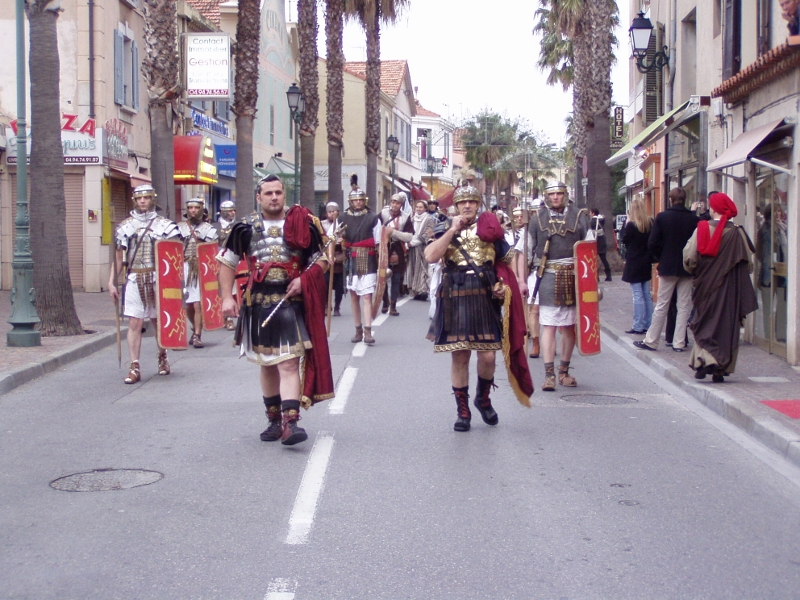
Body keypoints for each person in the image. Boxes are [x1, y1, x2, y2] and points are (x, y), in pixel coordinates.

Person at [217, 175, 333, 446]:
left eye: (278, 192)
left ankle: (291, 422)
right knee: (267, 363)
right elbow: (227, 262)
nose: (274, 197)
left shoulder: (302, 224)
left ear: (284, 194)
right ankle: (273, 420)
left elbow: (322, 260)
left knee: (289, 362)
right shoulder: (244, 228)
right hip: (258, 301)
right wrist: (226, 297)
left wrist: (304, 280)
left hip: (292, 302)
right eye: (268, 193)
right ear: (259, 197)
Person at [425, 184, 533, 431]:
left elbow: (508, 261)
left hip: (484, 295)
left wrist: (505, 284)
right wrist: (452, 230)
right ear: (456, 206)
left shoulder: (490, 228)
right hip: (455, 295)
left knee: (488, 355)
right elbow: (430, 256)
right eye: (463, 202)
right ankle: (462, 410)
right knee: (460, 354)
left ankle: (483, 398)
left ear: (478, 204)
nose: (467, 206)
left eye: (472, 202)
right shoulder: (444, 226)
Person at [520, 181, 590, 391]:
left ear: (565, 194)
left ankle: (564, 372)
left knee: (569, 326)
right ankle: (549, 375)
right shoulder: (537, 219)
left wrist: (589, 282)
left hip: (573, 277)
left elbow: (589, 250)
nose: (556, 197)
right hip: (548, 276)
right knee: (549, 326)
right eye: (552, 194)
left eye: (559, 193)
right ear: (547, 196)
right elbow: (526, 251)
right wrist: (522, 280)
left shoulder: (580, 216)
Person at [108, 184, 180, 384]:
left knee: (159, 322)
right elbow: (119, 257)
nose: (142, 201)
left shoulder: (165, 226)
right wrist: (111, 281)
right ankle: (134, 365)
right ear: (134, 200)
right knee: (135, 322)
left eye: (146, 197)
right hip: (134, 277)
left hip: (158, 278)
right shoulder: (126, 226)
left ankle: (162, 356)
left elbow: (173, 256)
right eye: (139, 198)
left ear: (152, 199)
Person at [683, 192, 758, 382]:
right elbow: (749, 264)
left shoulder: (702, 229)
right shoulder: (738, 233)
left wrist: (697, 272)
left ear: (714, 209)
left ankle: (701, 362)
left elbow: (690, 257)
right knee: (726, 324)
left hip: (705, 286)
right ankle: (721, 368)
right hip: (730, 289)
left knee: (704, 322)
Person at [633, 187, 699, 353]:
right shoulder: (694, 219)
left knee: (662, 305)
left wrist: (661, 257)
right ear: (685, 200)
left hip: (668, 265)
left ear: (670, 199)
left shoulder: (662, 217)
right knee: (684, 306)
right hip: (687, 266)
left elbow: (652, 243)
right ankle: (679, 342)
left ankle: (651, 341)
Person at [341, 187, 381, 345]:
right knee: (354, 295)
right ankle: (358, 329)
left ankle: (367, 331)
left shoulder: (373, 218)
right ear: (350, 201)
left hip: (368, 259)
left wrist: (382, 262)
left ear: (365, 201)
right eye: (355, 200)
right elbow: (333, 238)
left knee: (367, 295)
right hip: (351, 259)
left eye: (360, 200)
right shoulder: (342, 217)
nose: (358, 202)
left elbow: (378, 242)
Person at [178, 198, 219, 348]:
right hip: (183, 267)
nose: (193, 210)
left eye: (196, 207)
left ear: (201, 209)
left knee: (197, 304)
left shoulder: (209, 230)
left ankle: (197, 335)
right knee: (188, 304)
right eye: (190, 208)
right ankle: (195, 325)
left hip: (200, 268)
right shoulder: (178, 228)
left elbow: (212, 253)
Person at [620, 198, 654, 335]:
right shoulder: (650, 223)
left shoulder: (631, 225)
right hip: (646, 261)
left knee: (637, 295)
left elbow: (624, 240)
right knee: (646, 295)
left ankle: (638, 325)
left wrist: (626, 223)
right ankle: (648, 324)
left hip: (634, 262)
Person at [380, 192, 415, 316]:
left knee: (396, 278)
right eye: (393, 202)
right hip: (384, 249)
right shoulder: (383, 214)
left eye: (397, 203)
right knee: (382, 277)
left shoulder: (405, 217)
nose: (394, 205)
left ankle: (393, 305)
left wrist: (393, 232)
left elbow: (409, 236)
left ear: (401, 205)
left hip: (398, 249)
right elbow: (376, 230)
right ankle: (385, 301)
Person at [513, 209, 541, 359]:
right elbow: (519, 255)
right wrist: (520, 278)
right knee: (534, 309)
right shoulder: (528, 231)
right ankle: (536, 342)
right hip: (535, 272)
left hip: (555, 272)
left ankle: (550, 341)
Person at [216, 200, 238, 331]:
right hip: (216, 262)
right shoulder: (214, 227)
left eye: (234, 210)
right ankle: (219, 317)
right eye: (230, 211)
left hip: (232, 262)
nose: (233, 213)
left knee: (231, 289)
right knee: (217, 290)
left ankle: (229, 318)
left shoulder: (238, 226)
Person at [320, 201, 345, 317]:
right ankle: (326, 304)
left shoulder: (342, 224)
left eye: (334, 211)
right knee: (324, 284)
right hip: (325, 257)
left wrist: (342, 242)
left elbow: (348, 239)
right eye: (329, 212)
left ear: (338, 212)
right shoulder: (321, 225)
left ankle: (337, 306)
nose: (331, 214)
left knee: (339, 286)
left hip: (338, 257)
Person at [407, 199, 434, 300]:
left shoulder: (429, 219)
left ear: (425, 209)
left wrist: (415, 242)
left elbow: (428, 233)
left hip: (422, 248)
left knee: (423, 269)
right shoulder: (412, 219)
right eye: (417, 207)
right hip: (412, 249)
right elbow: (408, 232)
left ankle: (423, 291)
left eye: (420, 207)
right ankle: (415, 291)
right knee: (413, 268)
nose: (418, 209)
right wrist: (408, 242)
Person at [590, 208, 612, 281]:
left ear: (593, 213)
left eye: (590, 212)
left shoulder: (592, 221)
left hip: (595, 241)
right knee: (604, 259)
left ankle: (596, 276)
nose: (590, 214)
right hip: (602, 241)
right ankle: (608, 275)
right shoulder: (601, 220)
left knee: (594, 260)